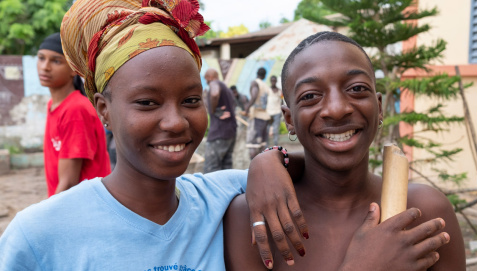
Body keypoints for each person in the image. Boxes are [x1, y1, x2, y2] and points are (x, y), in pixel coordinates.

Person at [0, 0, 309, 269]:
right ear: (104, 110)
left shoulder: (218, 196)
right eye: (147, 103)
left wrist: (269, 160)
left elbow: (309, 170)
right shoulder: (40, 234)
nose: (176, 122)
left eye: (190, 100)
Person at [224, 32, 465, 270]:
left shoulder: (424, 212)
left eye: (357, 88)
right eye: (310, 96)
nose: (337, 109)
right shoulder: (254, 217)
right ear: (289, 119)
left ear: (379, 107)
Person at [37, 32, 110, 197]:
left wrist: (49, 216)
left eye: (56, 61)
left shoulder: (75, 109)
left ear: (73, 70)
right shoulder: (55, 105)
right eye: (41, 58)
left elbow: (69, 182)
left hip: (84, 207)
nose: (45, 67)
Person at [203, 68, 237, 173]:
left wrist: (213, 111)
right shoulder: (227, 89)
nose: (207, 82)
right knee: (225, 170)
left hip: (219, 133)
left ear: (210, 77)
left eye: (206, 80)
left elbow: (214, 93)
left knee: (211, 170)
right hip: (230, 132)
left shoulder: (214, 83)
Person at [242, 67, 271, 159]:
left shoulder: (255, 83)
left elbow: (254, 96)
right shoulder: (266, 86)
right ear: (264, 75)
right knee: (262, 145)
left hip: (256, 117)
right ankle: (263, 168)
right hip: (265, 117)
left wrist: (247, 108)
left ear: (256, 73)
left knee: (253, 145)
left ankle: (254, 169)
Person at [266, 75, 283, 145]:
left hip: (277, 112)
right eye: (272, 81)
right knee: (267, 129)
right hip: (268, 113)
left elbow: (282, 101)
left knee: (275, 130)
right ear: (270, 81)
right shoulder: (268, 90)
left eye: (274, 81)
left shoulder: (280, 91)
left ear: (276, 81)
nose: (273, 82)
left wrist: (282, 110)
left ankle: (275, 144)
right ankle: (266, 145)